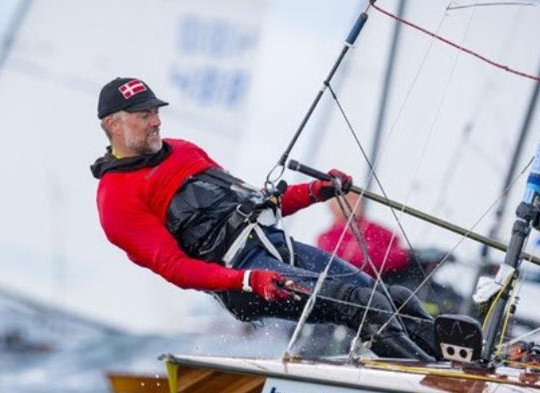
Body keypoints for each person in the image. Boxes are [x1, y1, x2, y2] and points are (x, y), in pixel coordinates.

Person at [91, 77, 438, 360]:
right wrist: (248, 280)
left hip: (275, 247)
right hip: (244, 279)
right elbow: (178, 271)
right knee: (360, 304)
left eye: (154, 111)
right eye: (143, 115)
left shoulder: (183, 149)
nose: (156, 121)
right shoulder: (116, 200)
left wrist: (316, 191)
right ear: (113, 124)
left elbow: (257, 203)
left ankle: (458, 368)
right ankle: (432, 385)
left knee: (393, 297)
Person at [317, 194, 464, 314]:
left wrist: (415, 256)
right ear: (332, 205)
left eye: (357, 198)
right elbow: (362, 260)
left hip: (402, 280)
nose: (355, 202)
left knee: (451, 301)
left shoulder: (375, 228)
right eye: (348, 198)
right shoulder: (328, 238)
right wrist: (408, 255)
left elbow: (392, 242)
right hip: (368, 291)